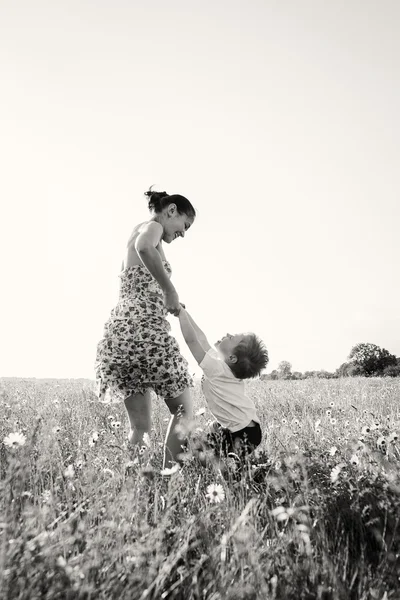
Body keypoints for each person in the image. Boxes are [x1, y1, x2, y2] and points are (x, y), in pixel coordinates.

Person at [95, 188, 196, 468]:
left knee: (140, 428)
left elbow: (139, 282)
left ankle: (132, 486)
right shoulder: (151, 226)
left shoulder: (137, 232)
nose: (184, 233)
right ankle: (169, 476)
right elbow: (144, 246)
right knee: (185, 412)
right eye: (185, 225)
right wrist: (169, 289)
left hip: (120, 337)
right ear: (171, 210)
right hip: (145, 333)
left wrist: (166, 297)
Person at [177, 307, 268, 461]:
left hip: (243, 433)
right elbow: (201, 338)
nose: (227, 334)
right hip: (247, 429)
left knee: (201, 454)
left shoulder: (217, 369)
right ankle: (246, 467)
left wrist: (180, 314)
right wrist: (185, 312)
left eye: (232, 337)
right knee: (212, 438)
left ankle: (249, 471)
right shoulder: (219, 364)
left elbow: (192, 341)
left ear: (232, 358)